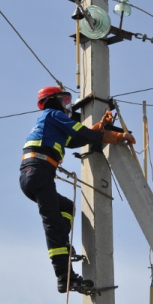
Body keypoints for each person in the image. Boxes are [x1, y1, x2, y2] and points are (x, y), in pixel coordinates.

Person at [19, 86, 136, 293]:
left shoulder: (53, 124)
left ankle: (63, 245)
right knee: (52, 224)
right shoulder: (53, 114)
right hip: (38, 171)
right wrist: (117, 136)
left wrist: (102, 125)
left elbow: (81, 138)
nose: (67, 105)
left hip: (34, 174)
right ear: (53, 101)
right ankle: (64, 277)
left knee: (65, 207)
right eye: (64, 100)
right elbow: (84, 134)